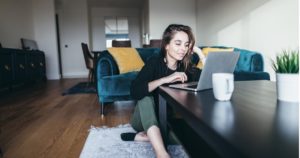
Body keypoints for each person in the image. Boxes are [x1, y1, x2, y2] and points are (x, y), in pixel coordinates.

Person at [121, 24, 206, 158]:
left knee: (190, 139)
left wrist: (200, 53)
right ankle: (161, 153)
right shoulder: (154, 63)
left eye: (186, 45)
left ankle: (145, 137)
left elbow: (208, 78)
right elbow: (135, 91)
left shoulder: (186, 67)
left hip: (165, 120)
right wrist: (165, 79)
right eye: (178, 44)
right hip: (143, 118)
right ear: (166, 45)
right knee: (145, 97)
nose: (182, 49)